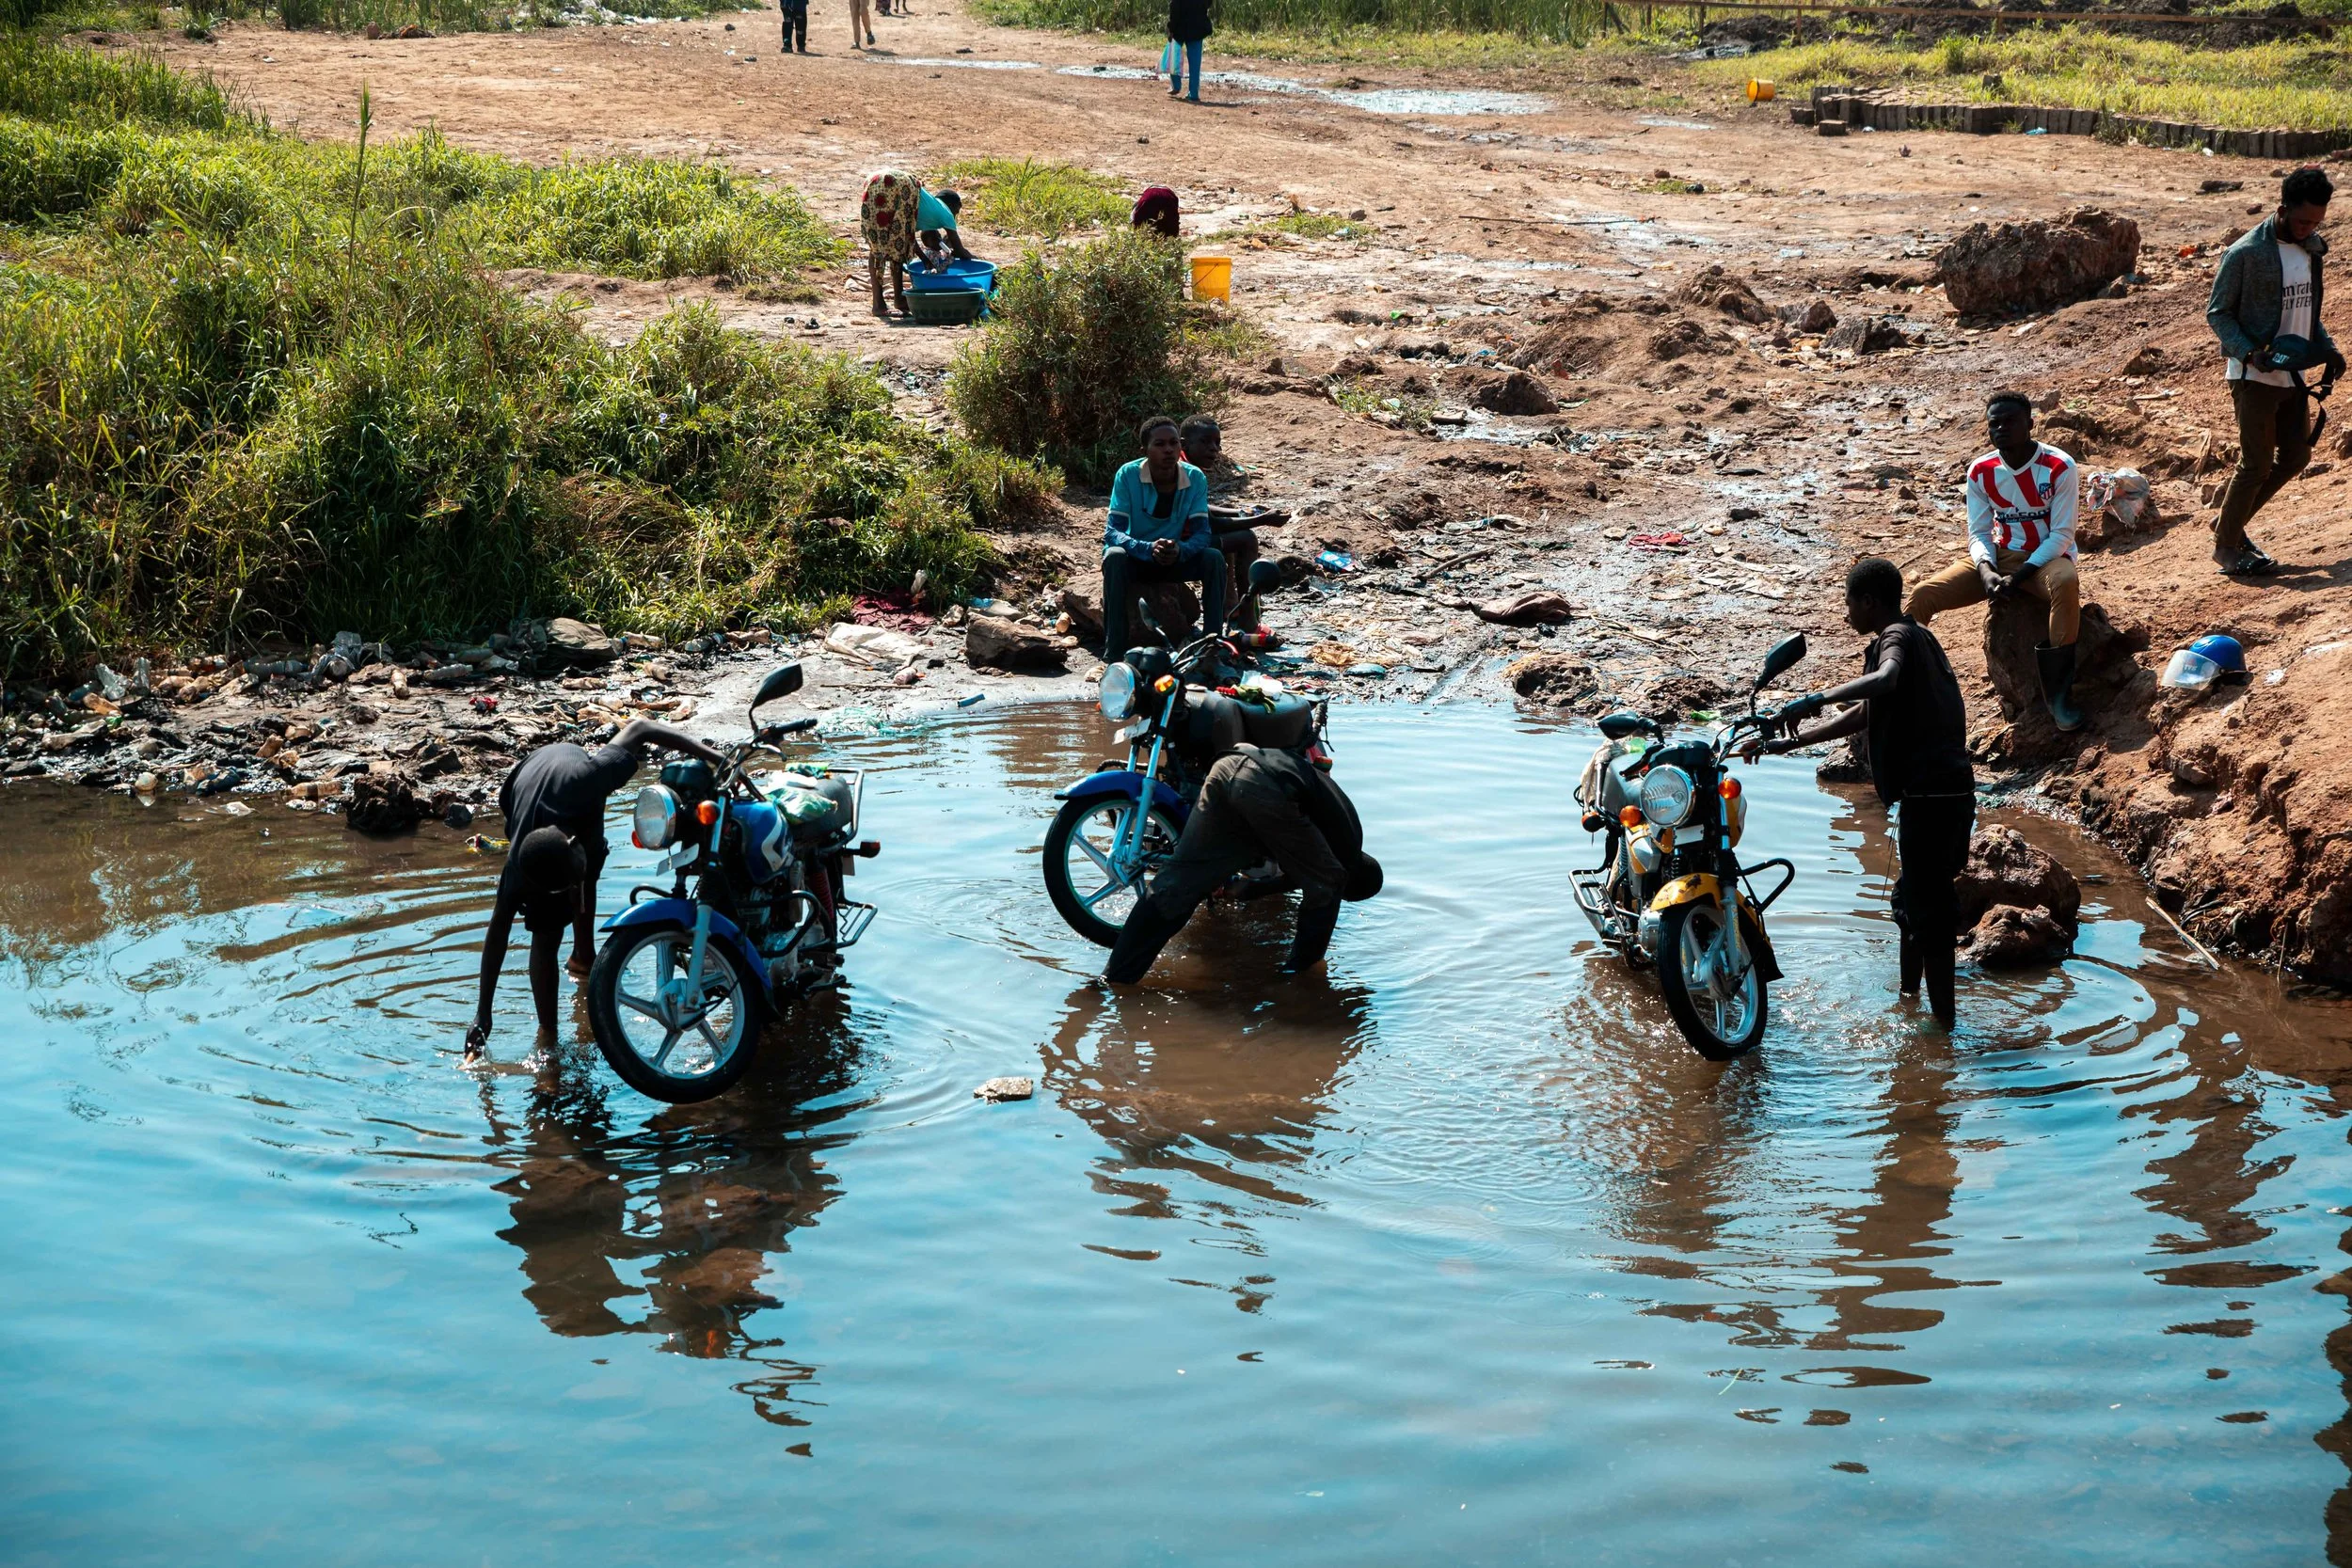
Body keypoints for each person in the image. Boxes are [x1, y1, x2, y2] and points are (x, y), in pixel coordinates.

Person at [1748, 557, 1975, 1029]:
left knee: (1928, 917)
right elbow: (1868, 713)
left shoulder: (1897, 638)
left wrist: (1813, 698)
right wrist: (1790, 741)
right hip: (1938, 796)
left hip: (1934, 799)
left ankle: (1944, 1035)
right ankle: (1910, 1005)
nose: (1846, 613)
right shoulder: (1914, 640)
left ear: (1869, 602)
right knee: (1910, 904)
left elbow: (1886, 681)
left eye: (1849, 603)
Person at [465, 719, 723, 1063]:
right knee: (546, 932)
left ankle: (583, 958)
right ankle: (550, 1035)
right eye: (566, 889)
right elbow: (497, 932)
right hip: (517, 791)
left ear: (575, 843)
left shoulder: (589, 780)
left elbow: (642, 727)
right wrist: (483, 1014)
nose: (575, 895)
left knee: (586, 874)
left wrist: (715, 757)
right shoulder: (520, 868)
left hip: (561, 773)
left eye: (574, 884)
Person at [1104, 744, 1381, 983]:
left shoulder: (1344, 834)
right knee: (1326, 888)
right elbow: (1323, 884)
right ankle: (1298, 983)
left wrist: (1242, 889)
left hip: (1228, 769)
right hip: (1266, 788)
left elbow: (1292, 878)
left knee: (1176, 885)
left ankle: (1114, 978)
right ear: (1352, 879)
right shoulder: (1345, 851)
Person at [1904, 389, 2087, 730]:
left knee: (2065, 582)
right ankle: (1899, 681)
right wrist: (1986, 571)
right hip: (1998, 558)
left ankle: (2058, 698)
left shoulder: (2059, 467)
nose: (2001, 428)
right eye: (1995, 423)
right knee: (1923, 595)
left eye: (2010, 421)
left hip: (2044, 560)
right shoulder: (1981, 471)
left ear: (2030, 424)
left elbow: (2062, 535)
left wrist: (2021, 576)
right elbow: (1979, 533)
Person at [2206, 165, 2343, 578]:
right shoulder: (2246, 253)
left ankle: (2230, 522)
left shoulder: (2310, 249)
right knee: (2256, 464)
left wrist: (2329, 349)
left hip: (2294, 373)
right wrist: (2250, 354)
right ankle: (2226, 548)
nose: (2308, 229)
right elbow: (2218, 314)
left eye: (2316, 222)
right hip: (2253, 377)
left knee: (2298, 454)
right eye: (2302, 221)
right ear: (2282, 209)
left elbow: (2305, 312)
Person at [1103, 415, 1223, 656]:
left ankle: (1212, 647)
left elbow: (1202, 533)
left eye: (1173, 443)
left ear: (1180, 445)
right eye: (1159, 444)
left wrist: (1180, 550)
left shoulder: (1195, 477)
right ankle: (1114, 651)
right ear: (1145, 450)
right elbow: (1113, 532)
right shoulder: (1127, 475)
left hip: (1172, 559)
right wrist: (1146, 548)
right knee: (1114, 556)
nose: (1168, 450)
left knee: (1214, 558)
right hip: (1136, 559)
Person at [1178, 414, 1287, 626]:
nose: (1214, 449)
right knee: (1247, 538)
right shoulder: (1188, 473)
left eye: (1217, 443)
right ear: (1184, 444)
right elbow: (1211, 523)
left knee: (1229, 538)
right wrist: (1262, 520)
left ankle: (1229, 605)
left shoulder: (1183, 466)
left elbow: (1199, 508)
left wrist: (1242, 511)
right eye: (1205, 442)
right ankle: (1249, 618)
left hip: (1183, 536)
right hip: (1182, 543)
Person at [858, 173, 967, 318]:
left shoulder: (922, 207)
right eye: (957, 212)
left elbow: (908, 239)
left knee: (888, 243)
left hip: (876, 181)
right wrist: (977, 262)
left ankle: (898, 299)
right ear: (953, 206)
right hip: (899, 184)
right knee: (883, 247)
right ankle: (879, 305)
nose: (955, 216)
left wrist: (925, 260)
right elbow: (960, 250)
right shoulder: (946, 213)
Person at [1166, 0, 1210, 103]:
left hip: (1180, 28)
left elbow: (1175, 8)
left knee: (1173, 55)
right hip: (1197, 27)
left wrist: (1171, 29)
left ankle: (1176, 85)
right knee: (1195, 63)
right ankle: (1193, 94)